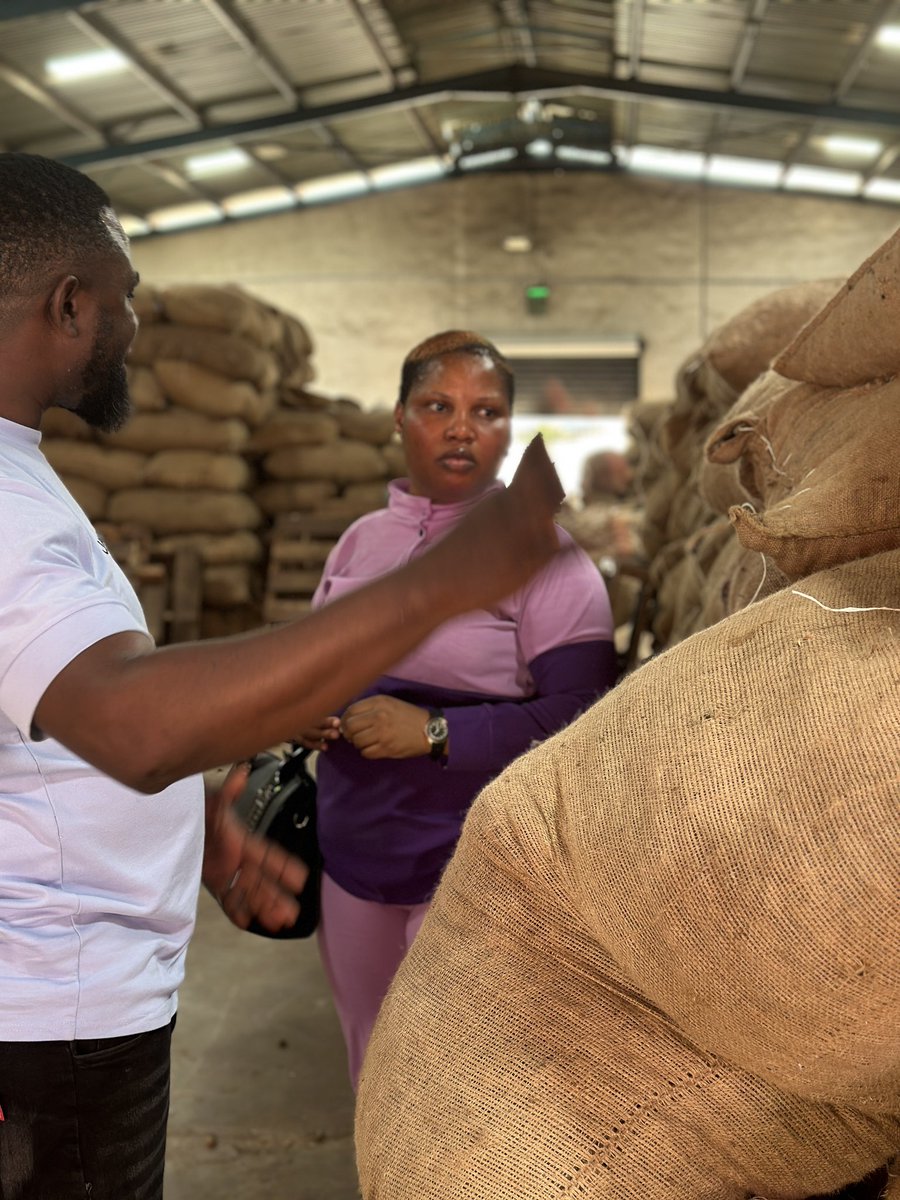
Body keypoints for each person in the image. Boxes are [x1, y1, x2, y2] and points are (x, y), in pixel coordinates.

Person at [0, 154, 566, 1200]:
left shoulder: (24, 474)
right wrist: (442, 583)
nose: (136, 326)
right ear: (70, 304)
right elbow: (129, 719)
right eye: (124, 300)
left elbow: (57, 719)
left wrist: (185, 821)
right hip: (42, 1027)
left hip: (66, 1007)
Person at [299, 331, 618, 1087]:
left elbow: (587, 716)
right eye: (437, 405)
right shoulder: (357, 545)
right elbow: (312, 665)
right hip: (355, 859)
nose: (462, 426)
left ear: (508, 431)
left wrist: (438, 733)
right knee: (372, 1067)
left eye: (487, 410)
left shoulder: (549, 561)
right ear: (400, 420)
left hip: (475, 864)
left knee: (469, 1082)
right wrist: (306, 708)